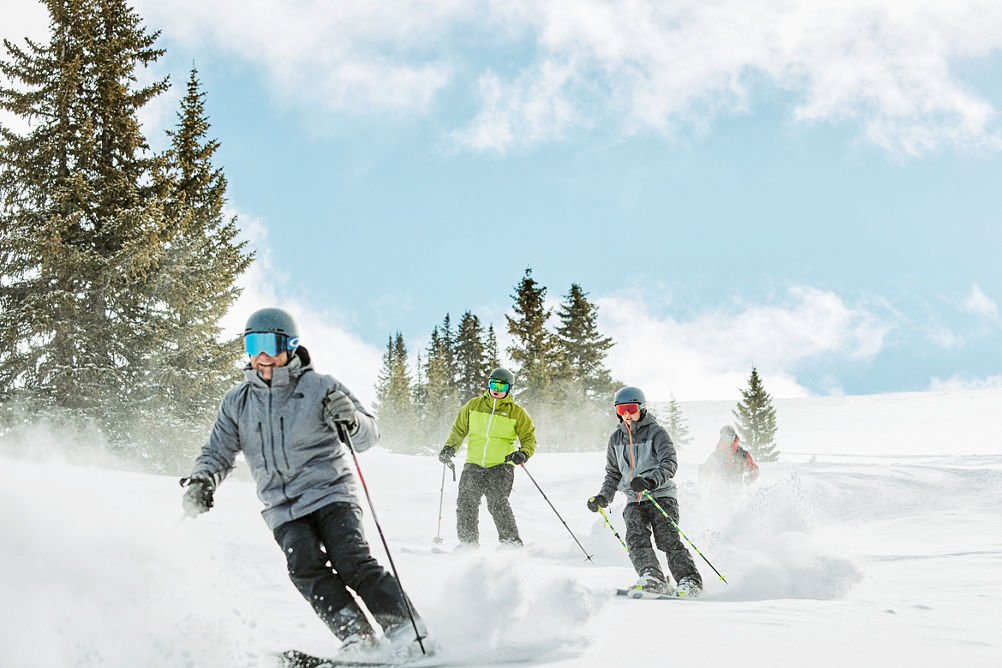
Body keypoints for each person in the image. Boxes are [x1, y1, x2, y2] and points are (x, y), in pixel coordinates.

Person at [180, 307, 426, 657]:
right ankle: (358, 637)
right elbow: (217, 451)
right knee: (304, 566)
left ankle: (407, 631)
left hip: (330, 494)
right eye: (253, 344)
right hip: (282, 508)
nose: (262, 356)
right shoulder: (237, 402)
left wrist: (351, 419)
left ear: (289, 345)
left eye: (270, 344)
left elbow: (369, 436)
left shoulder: (320, 387)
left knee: (351, 560)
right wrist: (202, 481)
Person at [586, 386, 704, 597]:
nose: (627, 414)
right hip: (633, 498)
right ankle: (652, 576)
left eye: (631, 408)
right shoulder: (615, 439)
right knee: (635, 537)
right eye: (622, 410)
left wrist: (650, 480)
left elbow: (669, 462)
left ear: (642, 408)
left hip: (660, 495)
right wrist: (604, 496)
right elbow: (613, 473)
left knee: (667, 538)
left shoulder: (656, 432)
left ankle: (689, 580)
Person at [437, 368, 537, 549]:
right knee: (466, 502)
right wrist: (450, 447)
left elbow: (529, 437)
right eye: (493, 384)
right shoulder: (473, 406)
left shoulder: (517, 412)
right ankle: (468, 542)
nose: (496, 389)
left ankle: (511, 543)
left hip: (501, 465)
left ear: (509, 388)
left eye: (501, 385)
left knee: (497, 503)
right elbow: (459, 430)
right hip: (474, 463)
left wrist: (523, 453)